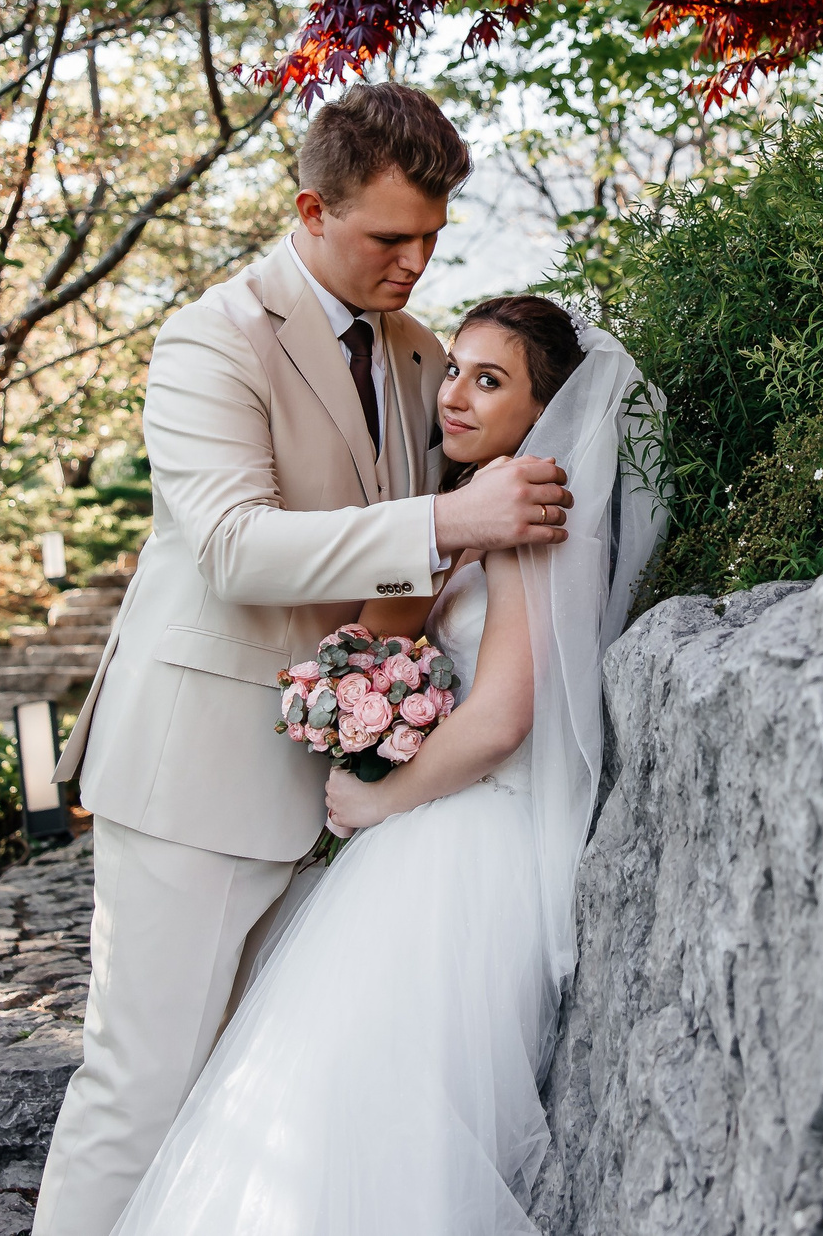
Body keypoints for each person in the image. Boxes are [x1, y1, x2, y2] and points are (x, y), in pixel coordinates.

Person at [32, 84, 584, 1236]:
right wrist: (450, 526)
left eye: (433, 236)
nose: (417, 261)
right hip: (194, 779)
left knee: (245, 1099)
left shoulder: (419, 350)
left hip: (339, 791)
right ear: (310, 208)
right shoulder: (210, 339)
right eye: (390, 237)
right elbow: (233, 548)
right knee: (139, 1092)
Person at [108, 292, 665, 1235]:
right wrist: (359, 689)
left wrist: (379, 800)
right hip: (431, 829)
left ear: (544, 413)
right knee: (329, 1096)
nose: (455, 395)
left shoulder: (534, 510)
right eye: (455, 369)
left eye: (491, 382)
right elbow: (382, 629)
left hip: (468, 843)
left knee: (370, 1105)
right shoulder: (477, 510)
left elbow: (499, 717)